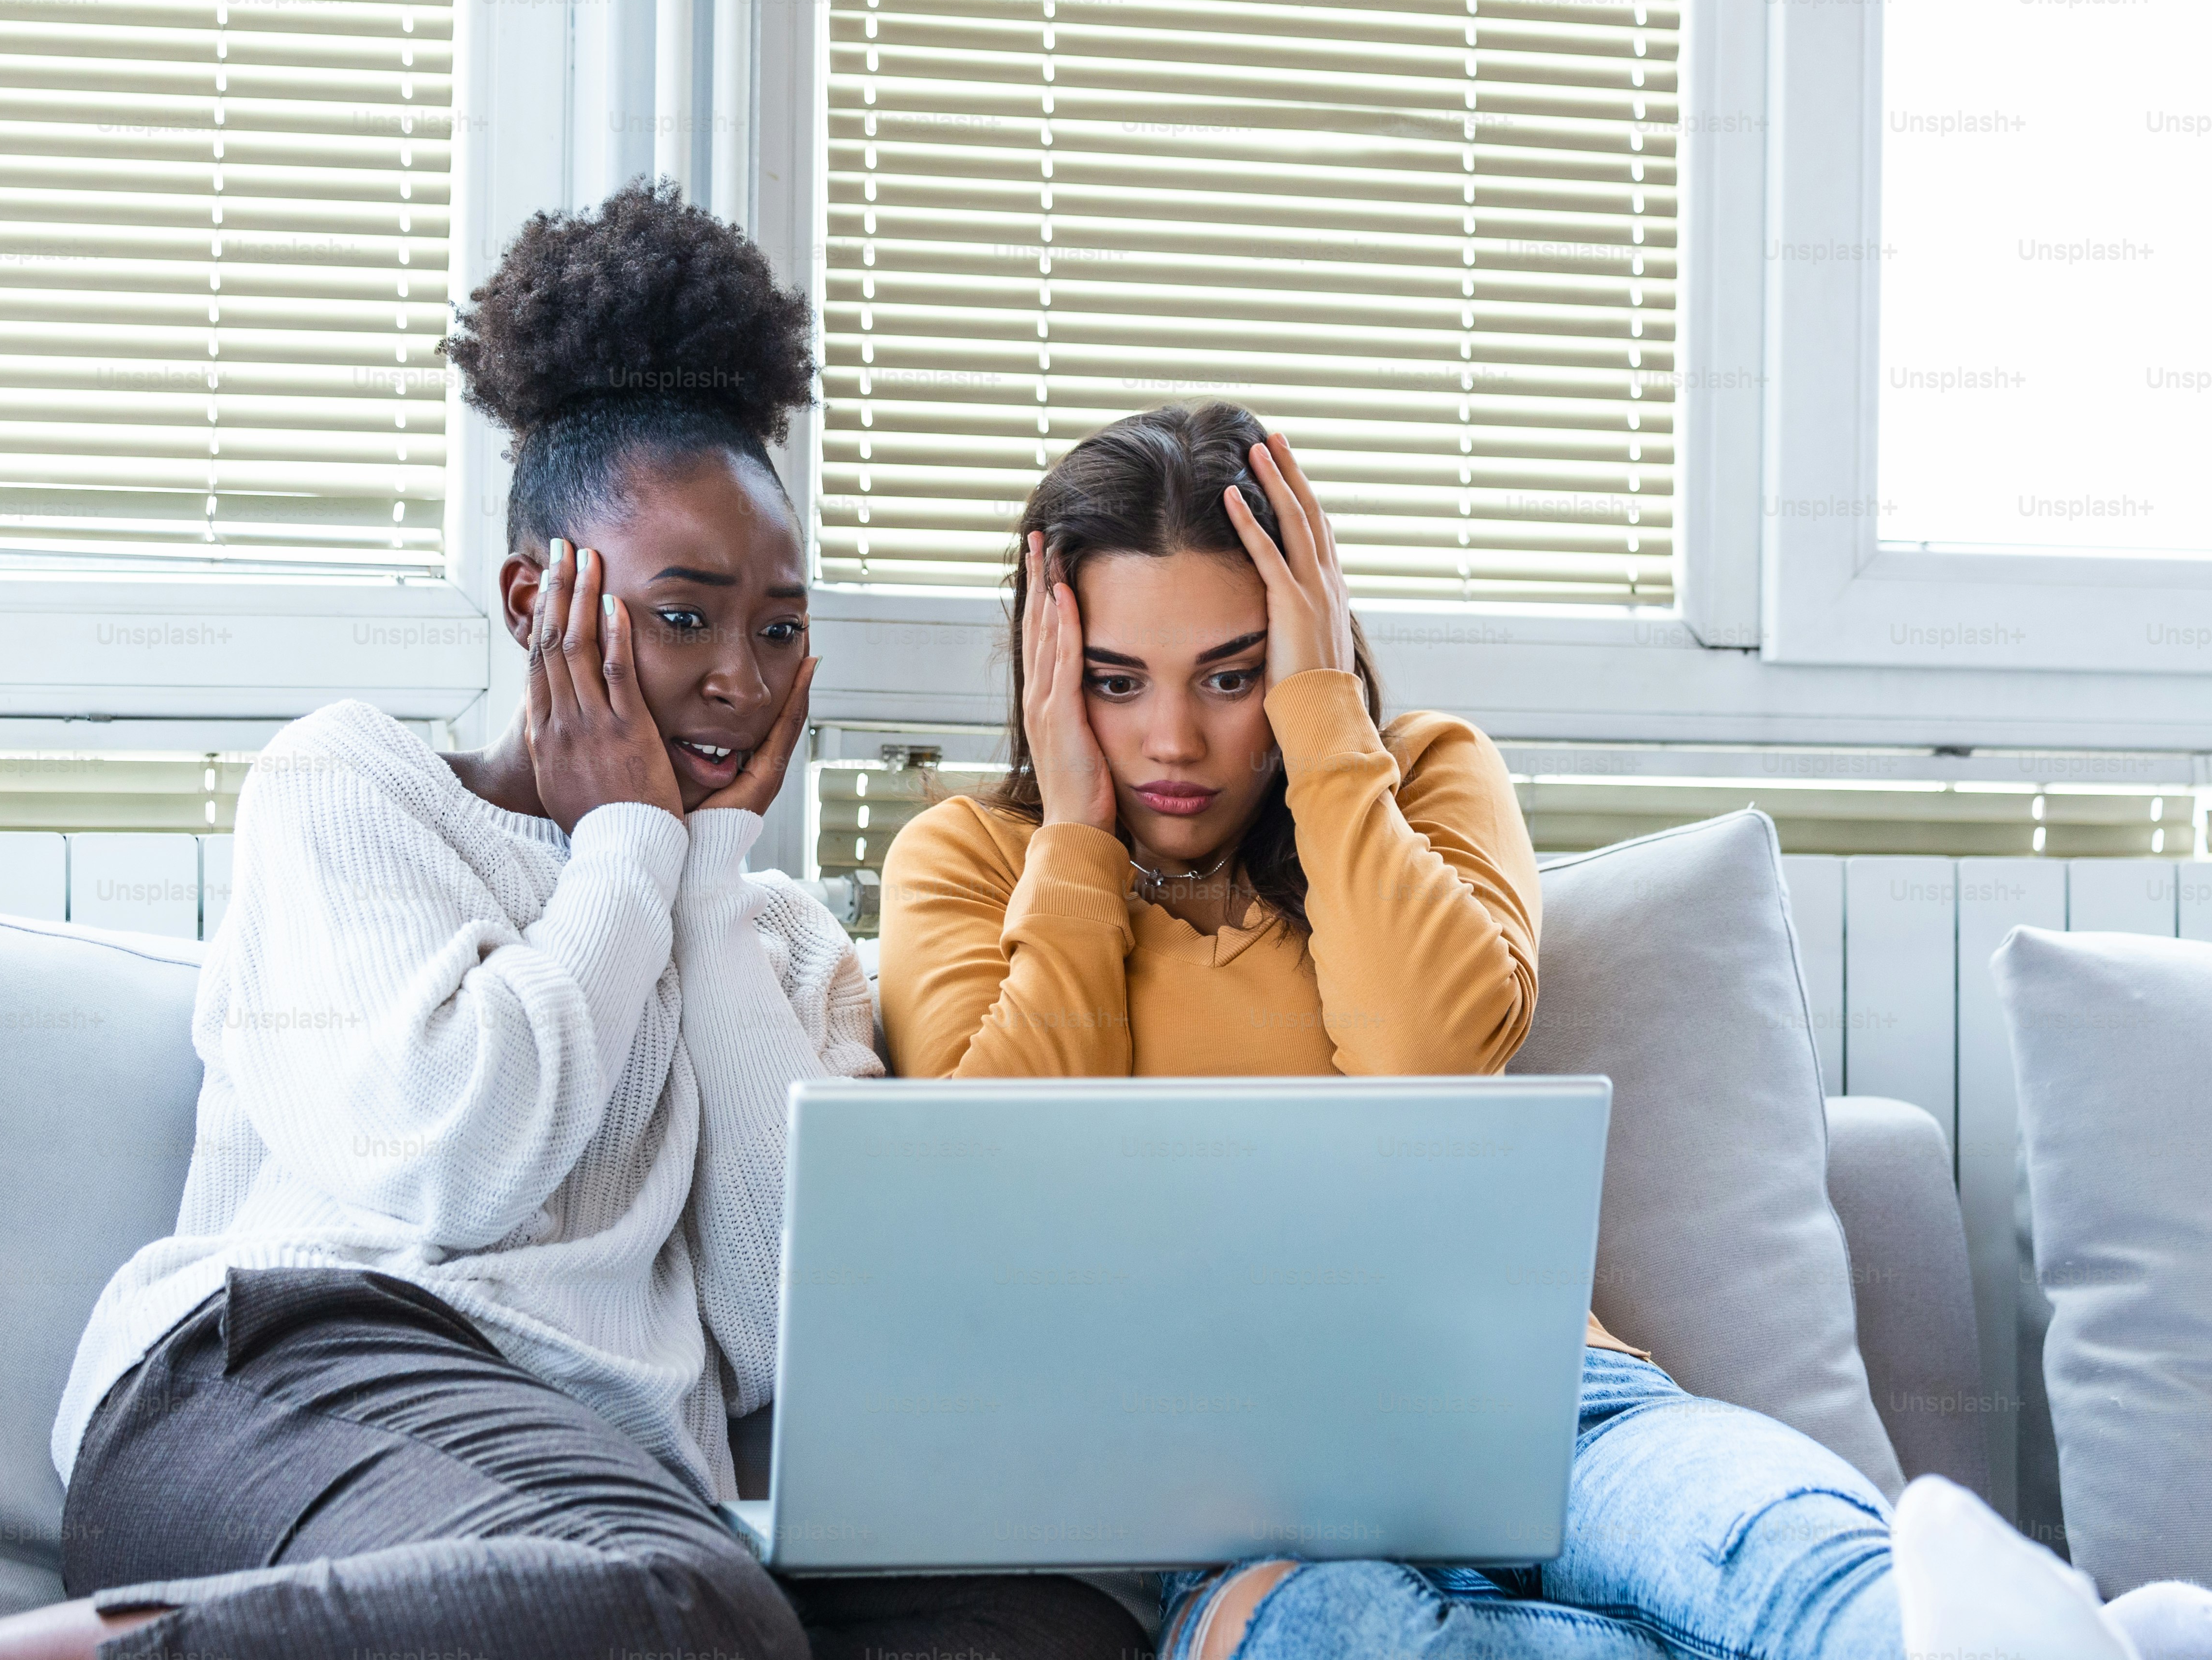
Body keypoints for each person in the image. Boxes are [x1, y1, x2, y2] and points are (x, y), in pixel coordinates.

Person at [0, 184, 1133, 1660]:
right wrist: (624, 838)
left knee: (1043, 1635)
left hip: (597, 1471)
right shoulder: (354, 788)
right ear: (532, 597)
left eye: (778, 625)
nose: (741, 677)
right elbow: (455, 1167)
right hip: (284, 1380)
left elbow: (779, 1326)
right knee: (683, 1606)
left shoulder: (779, 936)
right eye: (683, 615)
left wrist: (701, 875)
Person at [874, 401, 2183, 1660]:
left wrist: (1324, 727)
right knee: (1319, 1634)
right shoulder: (972, 864)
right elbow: (1002, 1175)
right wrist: (1074, 835)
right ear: (1049, 673)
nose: (1172, 738)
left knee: (1776, 1540)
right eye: (1114, 681)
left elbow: (1428, 1062)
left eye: (1233, 673)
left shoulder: (1421, 775)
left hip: (1541, 1392)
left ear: (1306, 645)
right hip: (1237, 1470)